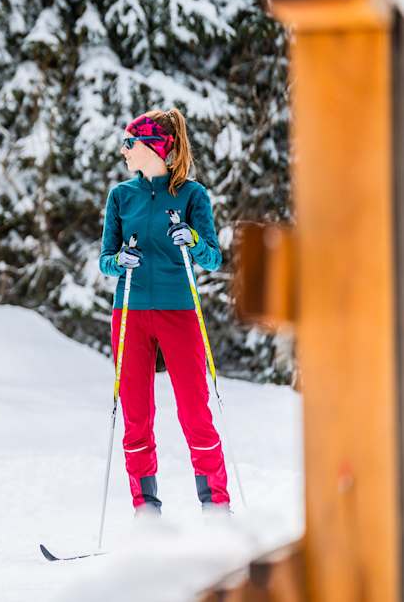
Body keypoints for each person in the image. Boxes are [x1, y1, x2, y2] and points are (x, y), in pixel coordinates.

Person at [98, 108, 229, 514]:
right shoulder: (121, 196)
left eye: (130, 143)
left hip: (179, 311)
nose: (123, 150)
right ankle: (146, 510)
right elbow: (105, 260)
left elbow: (213, 259)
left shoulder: (192, 195)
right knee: (137, 417)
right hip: (131, 312)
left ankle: (216, 506)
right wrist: (120, 260)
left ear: (154, 147)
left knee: (194, 412)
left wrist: (193, 239)